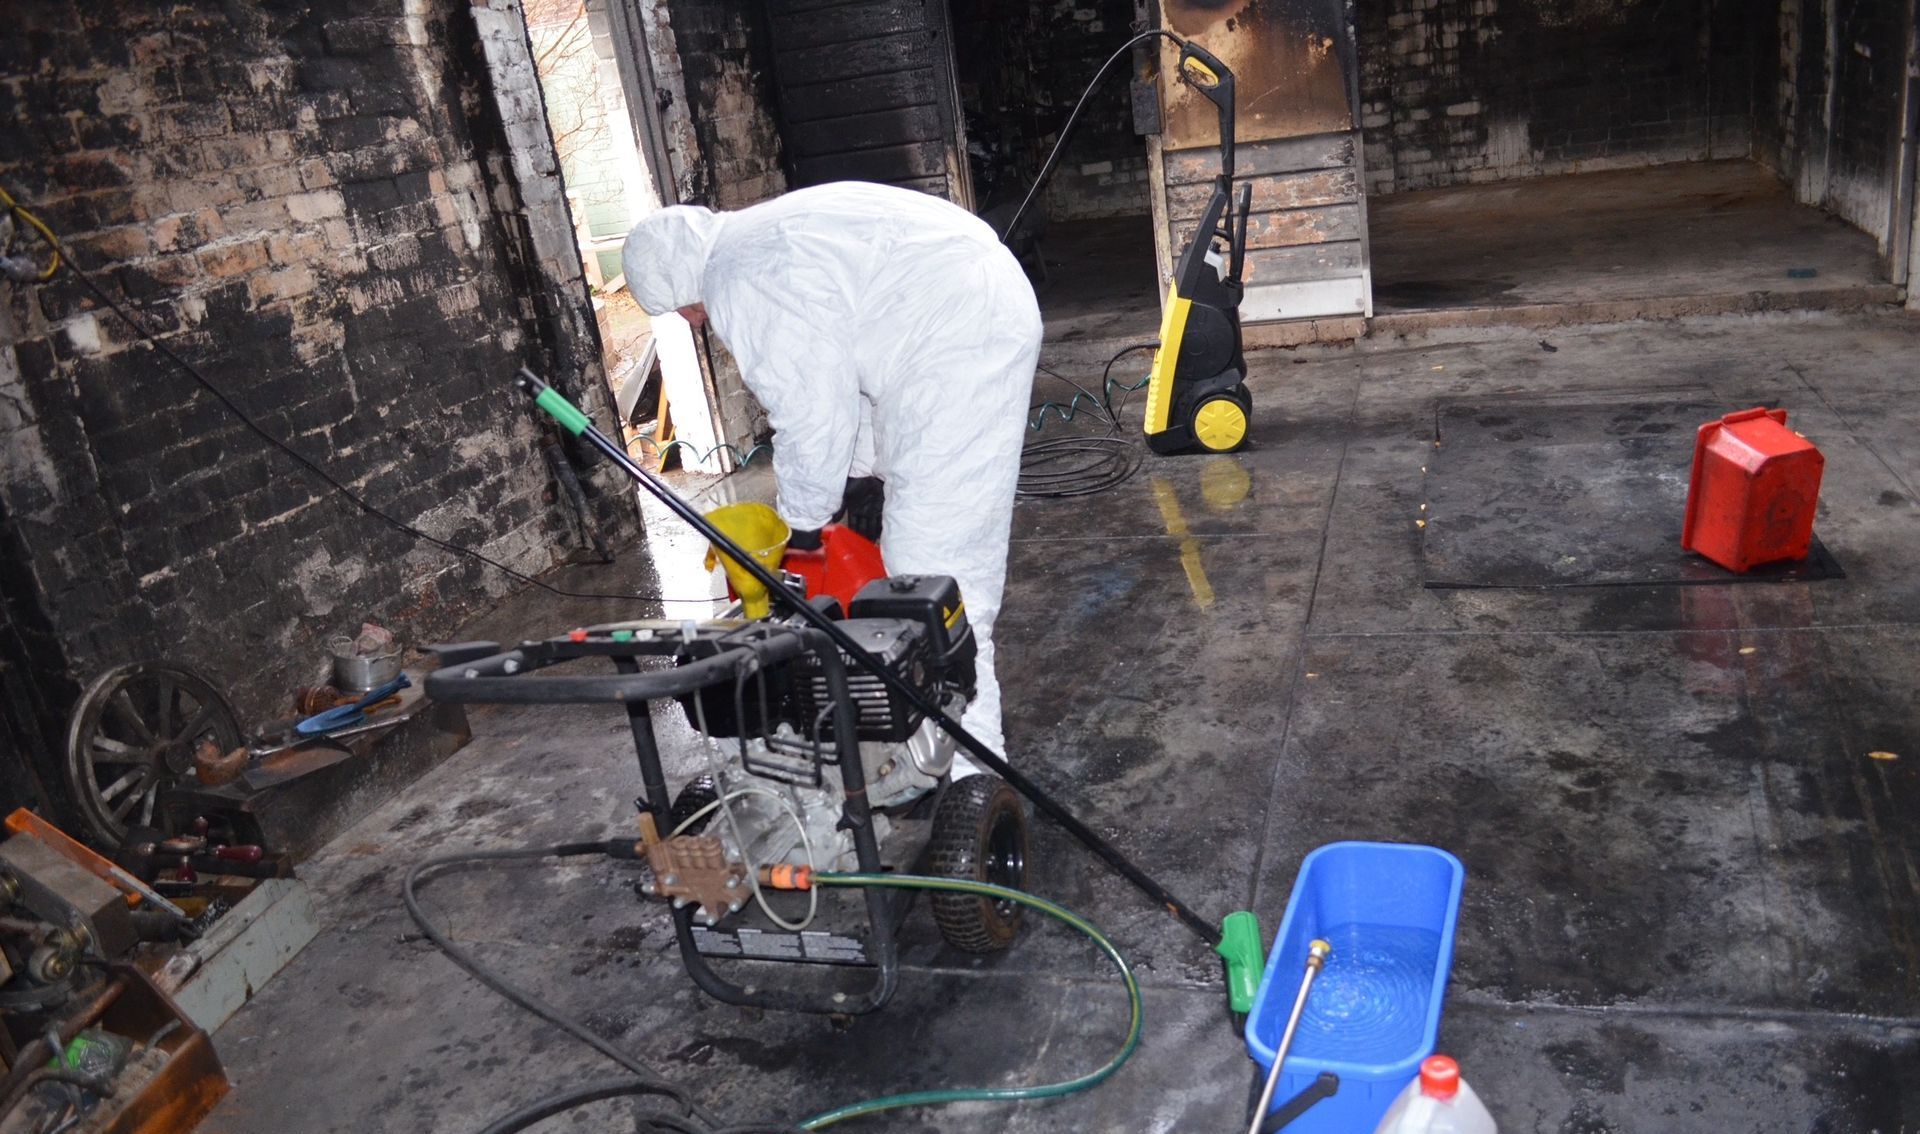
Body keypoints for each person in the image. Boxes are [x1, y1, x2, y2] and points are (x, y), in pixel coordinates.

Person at [620, 182, 1042, 773]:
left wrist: (801, 523)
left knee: (933, 573)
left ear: (679, 280)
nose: (692, 322)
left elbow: (812, 412)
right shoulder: (759, 236)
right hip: (954, 315)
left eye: (679, 308)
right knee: (911, 555)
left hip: (959, 333)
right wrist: (861, 476)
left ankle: (975, 777)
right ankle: (928, 752)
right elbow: (849, 369)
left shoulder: (736, 277)